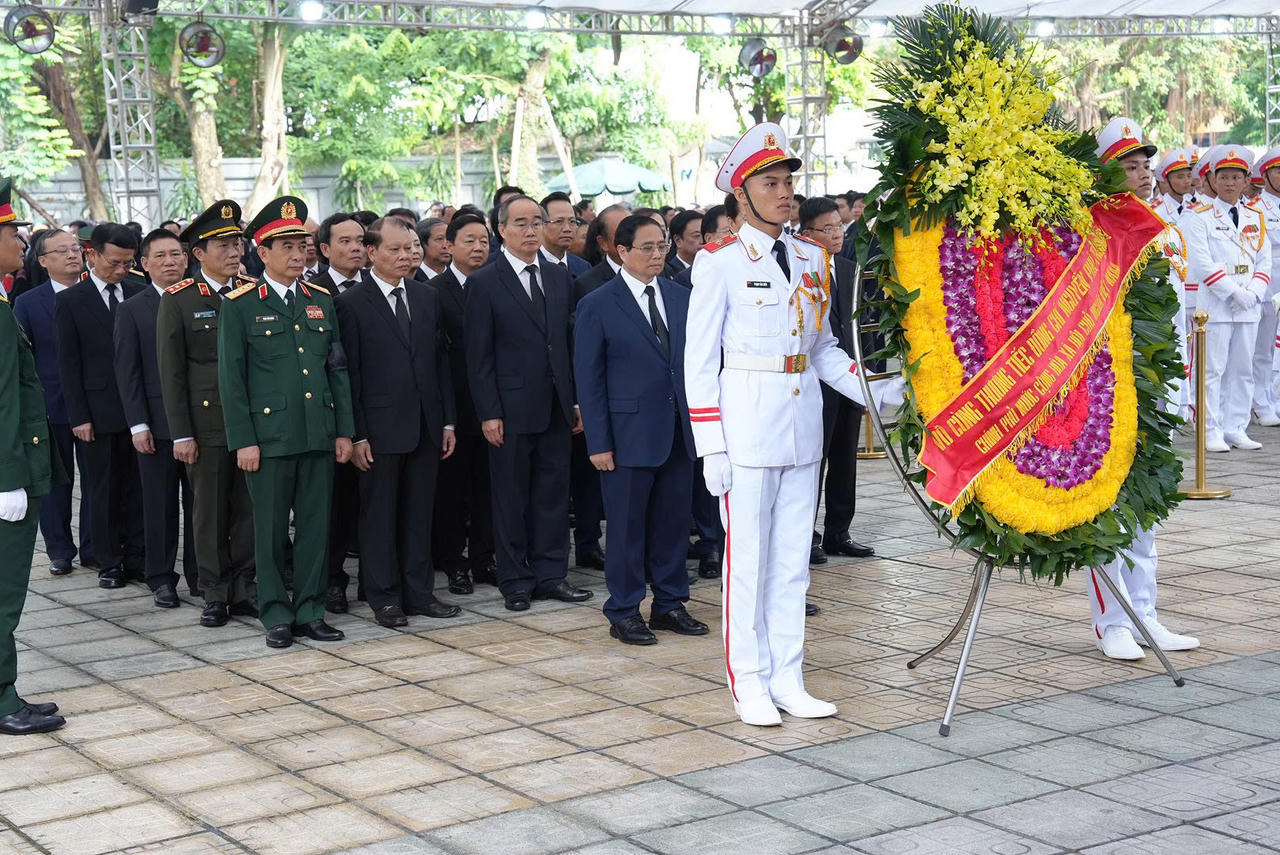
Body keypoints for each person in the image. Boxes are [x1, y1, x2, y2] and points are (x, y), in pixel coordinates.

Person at [684, 123, 895, 727]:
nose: (785, 194)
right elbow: (698, 362)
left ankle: (788, 676)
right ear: (741, 195)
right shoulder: (720, 262)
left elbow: (824, 347)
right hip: (745, 431)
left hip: (802, 429)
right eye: (770, 184)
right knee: (746, 563)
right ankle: (748, 681)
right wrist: (711, 446)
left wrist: (875, 392)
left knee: (792, 566)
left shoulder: (811, 258)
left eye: (788, 183)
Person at [1086, 118, 1201, 660]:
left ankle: (1146, 613)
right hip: (1110, 379)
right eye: (1130, 167)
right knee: (1107, 501)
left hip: (1157, 379)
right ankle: (1112, 620)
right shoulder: (1094, 228)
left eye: (1145, 165)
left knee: (1147, 501)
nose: (1143, 175)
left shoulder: (1165, 223)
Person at [219, 196, 355, 648]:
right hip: (269, 437)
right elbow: (231, 380)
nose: (299, 255)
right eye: (287, 247)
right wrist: (244, 440)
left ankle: (311, 609)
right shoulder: (239, 304)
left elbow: (336, 370)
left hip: (318, 431)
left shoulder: (321, 301)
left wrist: (344, 431)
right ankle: (275, 611)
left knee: (317, 528)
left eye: (303, 246)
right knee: (271, 530)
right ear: (263, 252)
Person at [575, 215, 708, 646]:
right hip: (626, 436)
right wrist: (599, 442)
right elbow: (589, 379)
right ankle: (624, 609)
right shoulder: (598, 302)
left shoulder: (681, 295)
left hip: (677, 431)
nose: (657, 255)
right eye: (647, 248)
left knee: (672, 524)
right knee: (628, 527)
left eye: (662, 246)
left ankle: (670, 603)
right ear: (622, 251)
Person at [465, 195, 592, 611]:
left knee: (553, 495)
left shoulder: (559, 278)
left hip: (555, 405)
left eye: (537, 222)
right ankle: (515, 579)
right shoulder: (485, 281)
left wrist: (574, 401)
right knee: (511, 498)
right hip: (509, 409)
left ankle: (551, 574)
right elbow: (478, 356)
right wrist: (489, 412)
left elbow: (567, 345)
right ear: (501, 229)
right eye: (521, 223)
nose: (531, 230)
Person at [336, 217, 460, 627]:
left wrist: (447, 423)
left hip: (426, 424)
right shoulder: (352, 302)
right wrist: (357, 434)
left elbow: (440, 363)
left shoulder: (426, 297)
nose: (407, 255)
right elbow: (347, 374)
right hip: (379, 430)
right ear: (371, 253)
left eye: (411, 248)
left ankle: (419, 592)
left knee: (419, 513)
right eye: (396, 249)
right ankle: (384, 596)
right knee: (380, 516)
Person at [160, 201, 257, 628]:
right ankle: (215, 592)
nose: (234, 250)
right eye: (222, 244)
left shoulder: (253, 290)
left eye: (237, 242)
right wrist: (181, 433)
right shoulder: (180, 300)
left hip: (255, 419)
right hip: (208, 422)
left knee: (250, 509)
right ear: (198, 254)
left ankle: (247, 587)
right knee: (209, 512)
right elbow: (172, 374)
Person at [0, 179, 67, 734]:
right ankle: (2, 700)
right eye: (11, 231)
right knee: (2, 594)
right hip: (9, 470)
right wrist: (9, 479)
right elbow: (3, 400)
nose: (20, 238)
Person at [54, 223, 146, 590]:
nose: (121, 270)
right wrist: (79, 416)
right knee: (103, 489)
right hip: (97, 409)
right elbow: (68, 364)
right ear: (92, 255)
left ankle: (139, 555)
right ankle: (109, 560)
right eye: (114, 263)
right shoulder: (70, 301)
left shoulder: (138, 293)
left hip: (139, 410)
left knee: (138, 489)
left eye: (127, 263)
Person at [114, 229, 198, 608]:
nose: (171, 262)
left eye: (177, 254)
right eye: (161, 256)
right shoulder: (133, 308)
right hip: (156, 426)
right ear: (144, 265)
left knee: (202, 506)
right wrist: (138, 425)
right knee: (159, 505)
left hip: (200, 423)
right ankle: (161, 577)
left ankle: (203, 576)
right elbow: (127, 371)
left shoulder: (206, 298)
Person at [13, 229, 94, 576]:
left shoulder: (99, 294)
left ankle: (96, 546)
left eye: (76, 248)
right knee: (57, 483)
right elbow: (23, 357)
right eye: (62, 251)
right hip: (52, 404)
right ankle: (59, 549)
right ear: (44, 262)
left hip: (95, 404)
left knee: (98, 480)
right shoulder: (28, 303)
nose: (72, 255)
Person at [798, 196, 875, 561]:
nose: (836, 234)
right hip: (814, 383)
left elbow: (860, 327)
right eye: (827, 228)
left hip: (847, 380)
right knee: (815, 461)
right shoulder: (800, 273)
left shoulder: (847, 269)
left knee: (846, 457)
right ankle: (805, 535)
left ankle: (838, 532)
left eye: (838, 226)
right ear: (807, 232)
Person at [1185, 145, 1272, 452]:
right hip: (1217, 307)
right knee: (1211, 370)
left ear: (1247, 180)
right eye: (1224, 177)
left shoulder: (1256, 215)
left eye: (1237, 177)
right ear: (1212, 179)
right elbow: (1201, 262)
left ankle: (1235, 427)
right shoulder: (1200, 216)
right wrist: (1234, 292)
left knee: (1242, 369)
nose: (1230, 183)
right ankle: (1209, 429)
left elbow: (1265, 260)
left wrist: (1253, 294)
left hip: (1249, 306)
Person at [430, 212, 496, 594]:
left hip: (491, 406)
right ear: (448, 246)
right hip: (453, 407)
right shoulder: (433, 291)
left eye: (484, 241)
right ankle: (454, 562)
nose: (477, 248)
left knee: (487, 489)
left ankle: (484, 558)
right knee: (452, 491)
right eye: (468, 241)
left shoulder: (496, 285)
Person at [311, 214, 367, 614]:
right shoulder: (313, 292)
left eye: (361, 240)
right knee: (334, 504)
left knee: (370, 504)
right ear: (325, 249)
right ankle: (331, 579)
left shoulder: (384, 287)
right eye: (345, 241)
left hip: (378, 410)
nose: (356, 248)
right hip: (334, 414)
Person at [1250, 145, 1280, 428]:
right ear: (1266, 174)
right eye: (1279, 171)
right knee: (1262, 349)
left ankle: (1275, 398)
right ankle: (1260, 402)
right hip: (1268, 286)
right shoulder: (1256, 209)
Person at [539, 192, 590, 278]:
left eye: (572, 222)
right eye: (559, 221)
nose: (567, 229)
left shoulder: (583, 267)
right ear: (541, 224)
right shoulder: (531, 266)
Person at [665, 210, 703, 278]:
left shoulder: (712, 266)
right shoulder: (668, 273)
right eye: (696, 235)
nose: (702, 241)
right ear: (678, 240)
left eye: (704, 234)